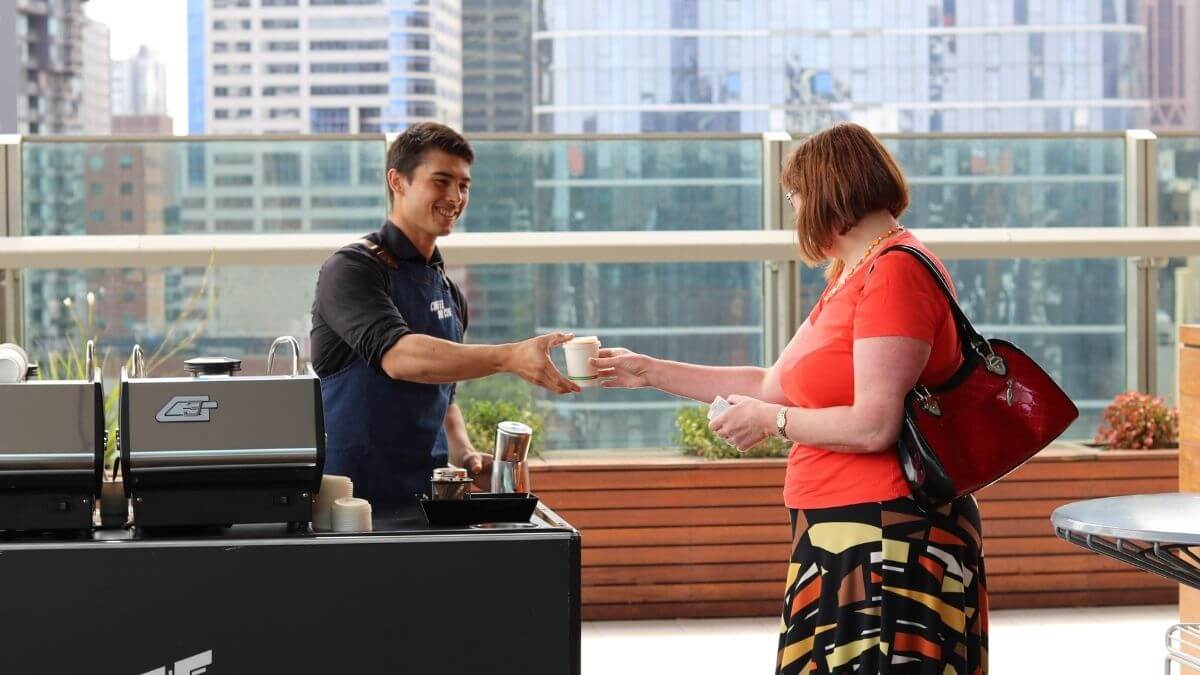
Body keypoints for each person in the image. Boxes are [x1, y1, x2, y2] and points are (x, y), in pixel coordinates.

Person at [595, 123, 987, 674]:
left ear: (829, 190)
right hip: (847, 531)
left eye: (796, 196)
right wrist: (649, 371)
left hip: (886, 536)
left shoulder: (894, 272)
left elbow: (872, 425)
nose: (794, 210)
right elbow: (767, 385)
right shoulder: (854, 271)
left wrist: (772, 422)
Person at [310, 122, 580, 509]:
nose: (455, 197)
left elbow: (443, 394)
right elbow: (401, 358)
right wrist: (509, 356)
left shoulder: (448, 290)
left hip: (426, 500)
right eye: (441, 181)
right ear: (397, 181)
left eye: (464, 185)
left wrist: (466, 453)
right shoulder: (351, 268)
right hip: (349, 504)